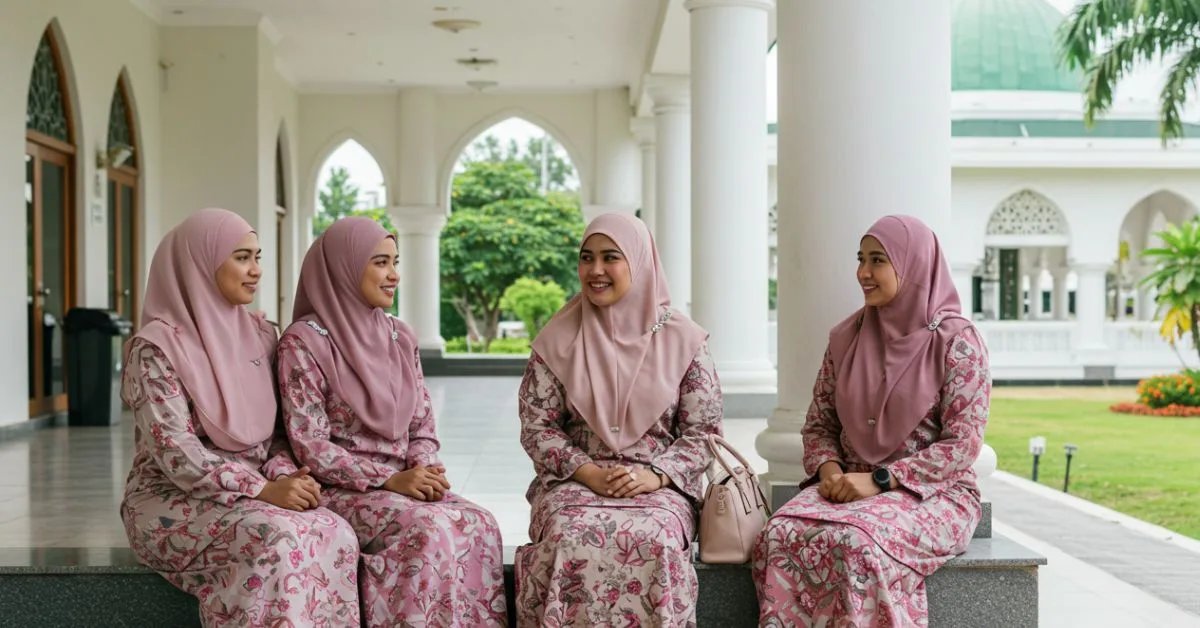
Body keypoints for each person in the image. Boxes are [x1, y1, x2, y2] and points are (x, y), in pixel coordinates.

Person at [119, 208, 360, 627]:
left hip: (257, 491)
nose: (256, 270)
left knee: (334, 530)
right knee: (276, 538)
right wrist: (262, 489)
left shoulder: (262, 334)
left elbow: (281, 433)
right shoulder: (156, 347)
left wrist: (286, 476)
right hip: (173, 500)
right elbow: (176, 453)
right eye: (242, 257)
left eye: (258, 256)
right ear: (200, 263)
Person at [752, 214, 990, 626]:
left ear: (913, 265)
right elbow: (820, 425)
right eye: (860, 259)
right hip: (848, 485)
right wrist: (830, 472)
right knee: (778, 534)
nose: (863, 272)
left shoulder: (955, 342)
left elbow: (962, 446)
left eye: (878, 260)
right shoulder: (847, 337)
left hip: (934, 494)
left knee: (857, 542)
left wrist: (880, 480)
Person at [276, 216, 507, 627]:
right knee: (426, 529)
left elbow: (422, 422)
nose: (394, 275)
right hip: (339, 488)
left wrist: (421, 466)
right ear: (344, 268)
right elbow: (309, 444)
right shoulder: (304, 342)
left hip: (403, 480)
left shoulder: (399, 335)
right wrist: (387, 480)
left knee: (479, 524)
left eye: (395, 262)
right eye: (380, 263)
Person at [513, 212, 723, 627]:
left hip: (658, 487)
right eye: (586, 257)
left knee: (656, 539)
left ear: (640, 261)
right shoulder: (558, 338)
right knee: (568, 537)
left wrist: (657, 476)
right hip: (573, 483)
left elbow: (704, 432)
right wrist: (586, 471)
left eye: (611, 257)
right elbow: (538, 427)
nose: (595, 270)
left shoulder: (683, 339)